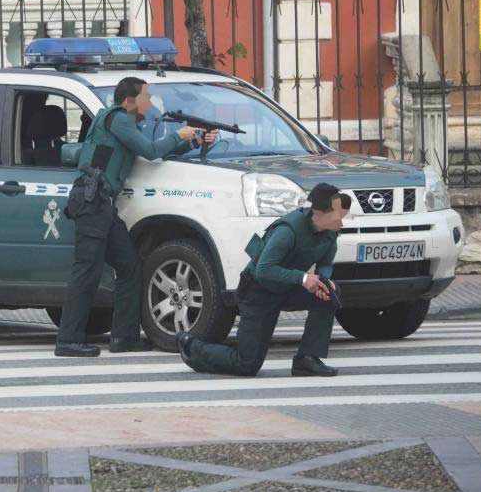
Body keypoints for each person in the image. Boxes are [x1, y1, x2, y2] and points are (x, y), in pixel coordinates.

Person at [55, 76, 214, 357]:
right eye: (146, 96)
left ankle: (124, 337)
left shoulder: (124, 124)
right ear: (129, 101)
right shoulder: (119, 119)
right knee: (86, 271)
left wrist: (195, 141)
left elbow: (150, 149)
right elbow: (151, 150)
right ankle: (67, 339)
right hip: (92, 202)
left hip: (101, 205)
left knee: (129, 266)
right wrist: (180, 135)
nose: (150, 102)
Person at [177, 183, 352, 377]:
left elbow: (325, 263)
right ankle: (192, 346)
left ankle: (307, 359)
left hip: (287, 287)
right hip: (258, 291)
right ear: (318, 213)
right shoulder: (287, 231)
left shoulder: (330, 231)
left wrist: (324, 282)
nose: (341, 219)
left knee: (330, 294)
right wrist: (303, 278)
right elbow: (264, 269)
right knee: (246, 364)